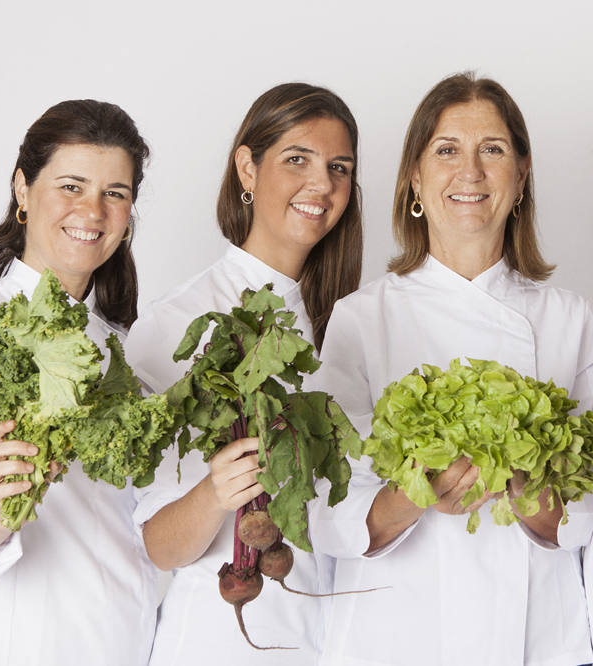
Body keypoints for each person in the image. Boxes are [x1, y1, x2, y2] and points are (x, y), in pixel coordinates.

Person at [307, 72, 593, 666]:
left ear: (520, 178)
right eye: (447, 151)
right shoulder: (362, 318)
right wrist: (417, 493)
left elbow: (589, 512)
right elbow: (328, 510)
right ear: (415, 178)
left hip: (537, 637)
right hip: (394, 633)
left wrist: (519, 480)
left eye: (491, 150)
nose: (470, 172)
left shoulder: (568, 318)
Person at [124, 82, 362, 665]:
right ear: (246, 169)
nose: (322, 184)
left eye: (339, 167)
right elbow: (156, 542)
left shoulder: (348, 323)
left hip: (331, 636)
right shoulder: (177, 323)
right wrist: (214, 491)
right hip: (218, 640)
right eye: (297, 160)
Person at [0, 100, 155, 665]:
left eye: (116, 193)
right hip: (17, 640)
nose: (93, 211)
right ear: (22, 189)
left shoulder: (127, 350)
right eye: (71, 186)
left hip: (123, 636)